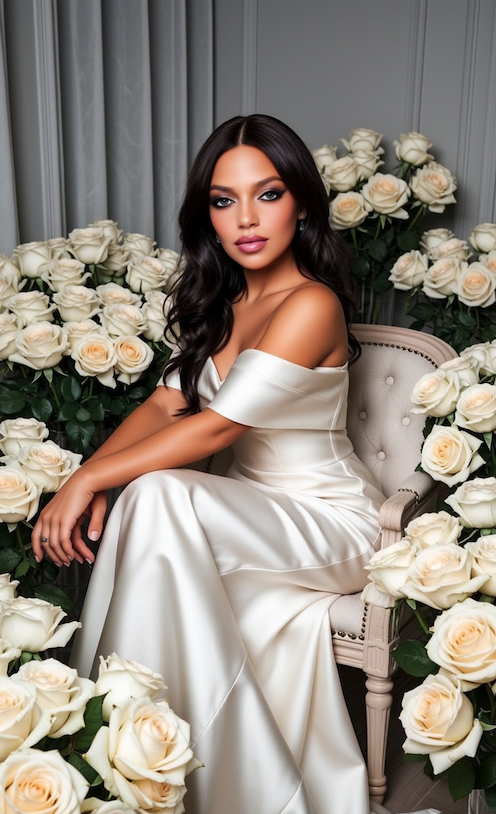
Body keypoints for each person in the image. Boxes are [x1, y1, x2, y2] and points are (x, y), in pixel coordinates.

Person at [32, 114, 388, 814]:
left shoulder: (311, 303)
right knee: (153, 498)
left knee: (159, 495)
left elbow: (216, 426)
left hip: (330, 522)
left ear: (304, 205)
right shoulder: (221, 302)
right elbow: (167, 409)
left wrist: (90, 479)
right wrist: (95, 476)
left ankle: (123, 748)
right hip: (242, 512)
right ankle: (141, 765)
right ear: (208, 216)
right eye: (224, 201)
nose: (246, 219)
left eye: (269, 194)